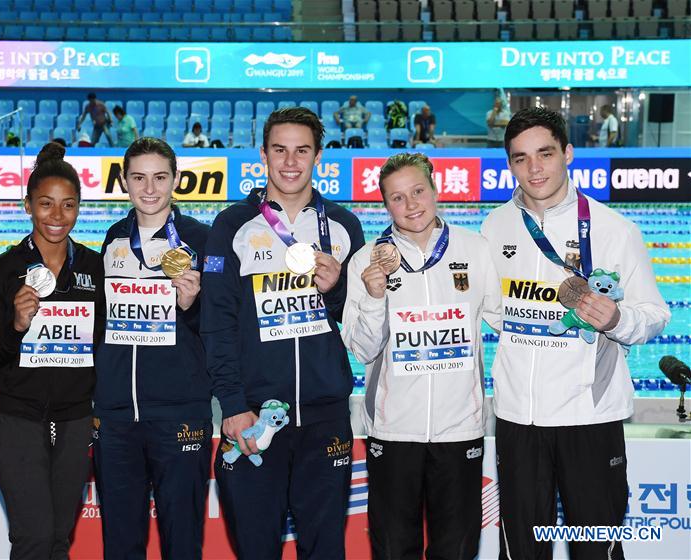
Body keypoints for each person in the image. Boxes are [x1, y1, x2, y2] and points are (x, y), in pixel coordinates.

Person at [481, 107, 670, 559]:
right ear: (510, 164)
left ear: (567, 153)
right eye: (521, 158)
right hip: (518, 419)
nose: (534, 168)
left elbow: (656, 314)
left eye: (545, 153)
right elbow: (492, 310)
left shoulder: (614, 230)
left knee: (595, 549)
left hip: (589, 416)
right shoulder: (495, 226)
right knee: (523, 550)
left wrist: (617, 320)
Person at [201, 107, 365, 559]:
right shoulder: (233, 226)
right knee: (255, 548)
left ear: (318, 157)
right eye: (280, 150)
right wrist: (233, 405)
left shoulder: (344, 226)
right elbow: (216, 322)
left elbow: (359, 322)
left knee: (325, 550)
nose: (290, 162)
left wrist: (336, 291)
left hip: (324, 418)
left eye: (302, 151)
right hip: (254, 416)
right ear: (263, 154)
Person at [342, 152, 500, 559]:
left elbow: (507, 321)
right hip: (393, 433)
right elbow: (362, 349)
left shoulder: (476, 250)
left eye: (417, 191)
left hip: (460, 431)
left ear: (435, 190)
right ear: (385, 205)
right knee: (394, 550)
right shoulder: (365, 261)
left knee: (457, 550)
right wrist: (375, 297)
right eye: (397, 198)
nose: (411, 205)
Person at [0, 142, 105, 559]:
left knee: (57, 537)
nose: (56, 216)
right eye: (46, 204)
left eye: (68, 205)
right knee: (33, 535)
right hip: (16, 418)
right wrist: (16, 327)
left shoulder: (94, 269)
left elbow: (104, 346)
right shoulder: (2, 271)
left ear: (79, 208)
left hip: (75, 419)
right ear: (28, 205)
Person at [93, 137, 212, 558]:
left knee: (182, 542)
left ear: (175, 179)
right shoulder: (113, 238)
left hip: (179, 413)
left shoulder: (201, 240)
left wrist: (192, 306)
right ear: (124, 181)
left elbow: (222, 327)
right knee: (120, 543)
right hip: (116, 417)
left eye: (160, 177)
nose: (149, 188)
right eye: (139, 177)